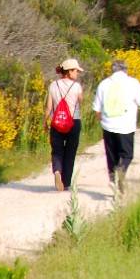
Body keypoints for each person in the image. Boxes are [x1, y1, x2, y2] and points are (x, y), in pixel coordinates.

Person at [92, 59, 140, 193]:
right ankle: (120, 175)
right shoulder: (132, 83)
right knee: (126, 155)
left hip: (108, 126)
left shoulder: (103, 84)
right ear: (125, 70)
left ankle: (113, 181)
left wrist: (103, 121)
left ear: (113, 70)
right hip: (126, 126)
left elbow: (96, 110)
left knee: (112, 156)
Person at [46, 59, 84, 192]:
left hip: (56, 123)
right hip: (73, 122)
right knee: (70, 152)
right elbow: (81, 102)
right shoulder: (77, 87)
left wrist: (46, 121)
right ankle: (66, 182)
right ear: (69, 72)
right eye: (76, 71)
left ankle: (57, 172)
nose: (77, 73)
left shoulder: (53, 85)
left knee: (57, 151)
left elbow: (49, 107)